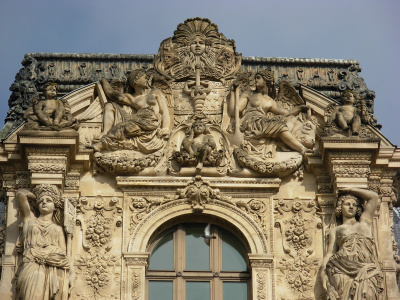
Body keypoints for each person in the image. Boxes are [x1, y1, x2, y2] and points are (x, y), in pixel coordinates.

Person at [229, 70, 311, 155]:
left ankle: (298, 147)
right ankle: (301, 148)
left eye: (258, 78)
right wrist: (232, 92)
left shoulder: (270, 101)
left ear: (266, 81)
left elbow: (287, 113)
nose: (255, 80)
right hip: (252, 122)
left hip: (263, 122)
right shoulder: (249, 94)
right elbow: (234, 111)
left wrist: (300, 108)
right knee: (280, 127)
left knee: (284, 123)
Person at [320, 188, 382, 300]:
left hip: (365, 268)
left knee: (368, 295)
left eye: (354, 204)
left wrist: (350, 189)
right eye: (347, 204)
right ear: (340, 208)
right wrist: (323, 272)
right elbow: (330, 253)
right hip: (341, 268)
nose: (351, 206)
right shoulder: (336, 230)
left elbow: (373, 197)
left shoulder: (365, 222)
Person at [89, 69, 170, 153]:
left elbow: (164, 112)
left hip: (150, 119)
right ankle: (104, 137)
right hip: (140, 119)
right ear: (136, 80)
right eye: (145, 77)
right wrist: (103, 80)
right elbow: (111, 93)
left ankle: (101, 145)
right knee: (116, 118)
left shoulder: (155, 92)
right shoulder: (133, 98)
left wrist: (165, 128)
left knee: (121, 128)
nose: (147, 79)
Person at [15, 185, 71, 300]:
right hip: (31, 265)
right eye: (41, 201)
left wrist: (48, 255)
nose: (44, 203)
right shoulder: (30, 221)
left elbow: (64, 255)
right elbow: (20, 194)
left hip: (51, 268)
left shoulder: (58, 229)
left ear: (55, 206)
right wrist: (35, 197)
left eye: (48, 200)